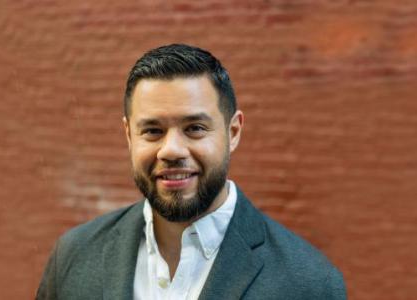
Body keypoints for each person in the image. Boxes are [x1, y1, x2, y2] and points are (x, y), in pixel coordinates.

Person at [36, 44, 347, 300]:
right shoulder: (75, 257)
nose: (171, 150)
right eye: (153, 130)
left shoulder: (308, 283)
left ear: (233, 131)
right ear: (129, 135)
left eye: (195, 128)